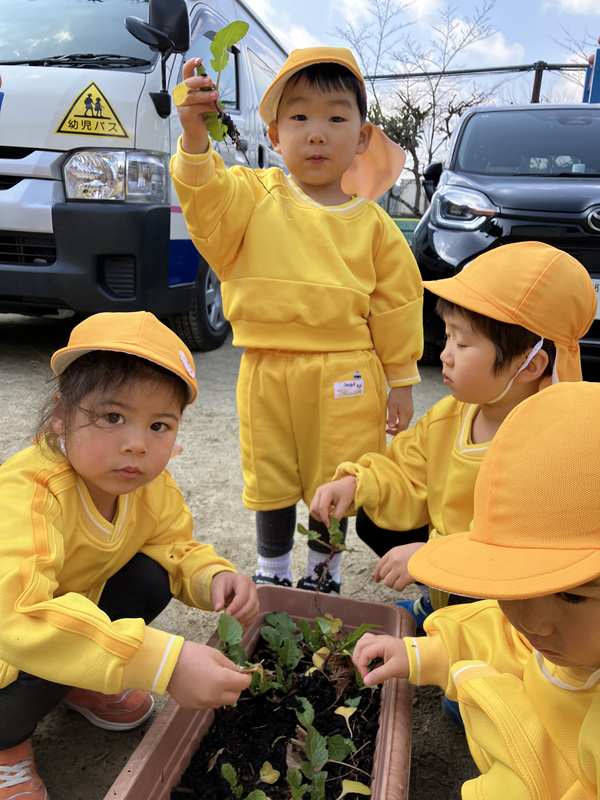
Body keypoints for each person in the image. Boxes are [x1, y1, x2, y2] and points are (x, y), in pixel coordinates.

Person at [170, 47, 424, 594]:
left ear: (362, 137)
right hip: (266, 367)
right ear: (275, 134)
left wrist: (401, 381)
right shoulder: (253, 194)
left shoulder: (374, 225)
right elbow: (207, 202)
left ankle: (324, 574)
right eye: (300, 116)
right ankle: (274, 572)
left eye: (336, 118)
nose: (316, 133)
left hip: (347, 374)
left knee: (338, 476)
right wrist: (194, 138)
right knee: (271, 475)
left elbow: (397, 305)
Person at [0, 312, 259, 800]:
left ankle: (80, 682)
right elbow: (18, 617)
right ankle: (5, 747)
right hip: (8, 648)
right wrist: (163, 663)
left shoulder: (148, 487)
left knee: (150, 576)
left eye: (159, 425)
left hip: (64, 631)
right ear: (61, 414)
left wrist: (210, 575)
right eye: (113, 417)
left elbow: (172, 544)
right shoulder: (28, 493)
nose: (137, 445)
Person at [311, 242, 596, 621]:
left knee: (505, 607)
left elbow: (519, 555)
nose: (445, 354)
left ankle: (463, 628)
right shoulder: (452, 415)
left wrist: (431, 557)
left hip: (509, 596)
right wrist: (357, 482)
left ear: (530, 365)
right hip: (455, 561)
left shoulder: (559, 446)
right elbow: (406, 471)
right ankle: (439, 603)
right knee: (373, 513)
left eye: (462, 343)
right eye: (447, 337)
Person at [353, 381, 600, 800]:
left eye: (574, 594)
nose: (531, 623)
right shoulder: (570, 641)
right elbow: (506, 639)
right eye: (514, 586)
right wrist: (426, 653)